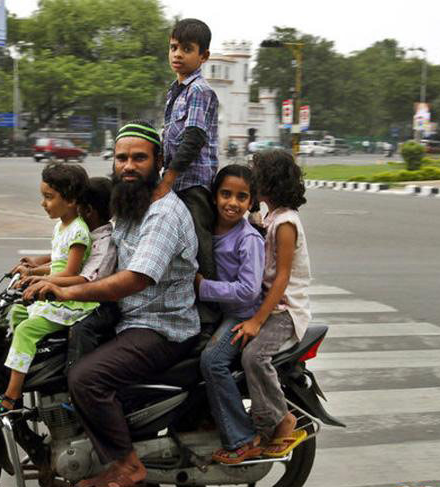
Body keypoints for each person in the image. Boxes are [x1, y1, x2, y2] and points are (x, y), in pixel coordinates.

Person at [24, 121, 199, 487]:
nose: (128, 166)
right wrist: (43, 267)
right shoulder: (131, 204)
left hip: (160, 327)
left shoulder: (163, 214)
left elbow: (136, 277)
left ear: (158, 161)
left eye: (139, 158)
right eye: (122, 158)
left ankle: (126, 465)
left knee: (86, 378)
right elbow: (98, 249)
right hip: (128, 317)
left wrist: (68, 292)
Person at [0, 163, 98, 416]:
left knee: (24, 331)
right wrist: (32, 270)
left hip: (70, 304)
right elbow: (56, 263)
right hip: (55, 295)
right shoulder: (61, 226)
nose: (43, 203)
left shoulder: (78, 231)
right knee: (15, 314)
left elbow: (71, 274)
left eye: (49, 197)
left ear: (71, 200)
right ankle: (23, 369)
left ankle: (11, 396)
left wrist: (37, 278)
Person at [230, 148, 312, 458]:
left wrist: (257, 321)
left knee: (254, 356)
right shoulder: (271, 216)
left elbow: (282, 278)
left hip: (285, 311)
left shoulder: (286, 223)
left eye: (256, 176)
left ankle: (281, 418)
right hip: (270, 305)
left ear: (269, 182)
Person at [194, 164, 267, 464]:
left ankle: (242, 438)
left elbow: (249, 290)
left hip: (241, 316)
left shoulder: (248, 239)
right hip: (219, 313)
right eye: (226, 194)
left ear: (251, 202)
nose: (232, 203)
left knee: (211, 361)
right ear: (214, 197)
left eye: (241, 197)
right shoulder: (208, 228)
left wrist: (204, 287)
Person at [17, 177, 120, 372]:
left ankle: (76, 383)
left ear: (88, 210)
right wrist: (34, 269)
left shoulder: (104, 243)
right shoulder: (84, 233)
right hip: (79, 294)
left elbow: (84, 279)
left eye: (77, 206)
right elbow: (62, 262)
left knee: (81, 330)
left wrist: (43, 279)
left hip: (98, 303)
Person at [159, 18, 220, 327]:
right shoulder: (175, 91)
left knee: (199, 246)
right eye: (173, 47)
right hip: (175, 182)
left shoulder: (199, 91)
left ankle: (210, 319)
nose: (177, 54)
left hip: (193, 185)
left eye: (186, 49)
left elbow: (193, 138)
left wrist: (167, 179)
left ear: (203, 56)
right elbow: (168, 138)